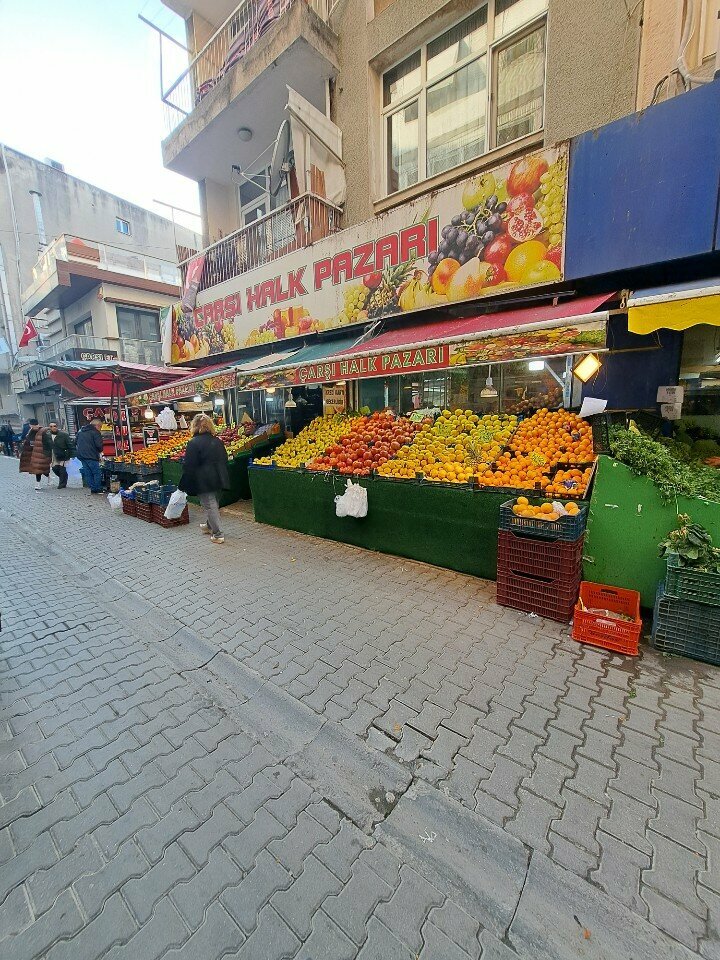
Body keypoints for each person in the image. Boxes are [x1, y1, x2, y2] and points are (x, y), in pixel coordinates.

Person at [179, 413, 229, 545]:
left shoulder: (193, 443)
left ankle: (218, 535)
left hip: (204, 480)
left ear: (194, 426)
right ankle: (209, 526)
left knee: (210, 506)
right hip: (220, 478)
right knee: (213, 504)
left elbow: (189, 465)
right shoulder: (217, 441)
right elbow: (225, 459)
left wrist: (183, 484)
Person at [18, 419, 51, 491]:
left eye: (33, 426)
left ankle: (44, 479)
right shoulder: (30, 431)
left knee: (40, 468)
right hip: (33, 453)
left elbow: (48, 443)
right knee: (38, 469)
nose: (32, 427)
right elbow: (27, 441)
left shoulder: (43, 431)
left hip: (41, 453)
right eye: (32, 426)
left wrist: (48, 453)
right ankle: (39, 483)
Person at [75, 417, 104, 494]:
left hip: (81, 456)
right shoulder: (95, 432)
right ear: (96, 426)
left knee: (88, 472)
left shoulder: (81, 431)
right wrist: (100, 451)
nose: (100, 428)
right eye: (100, 426)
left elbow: (75, 442)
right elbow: (99, 446)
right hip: (91, 455)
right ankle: (97, 488)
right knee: (96, 472)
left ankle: (92, 488)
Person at [42, 421, 74, 489]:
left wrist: (72, 454)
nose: (53, 428)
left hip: (63, 454)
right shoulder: (48, 435)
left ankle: (62, 484)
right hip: (53, 454)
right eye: (51, 426)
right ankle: (63, 478)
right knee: (55, 468)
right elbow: (45, 445)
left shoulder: (64, 435)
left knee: (62, 469)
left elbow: (70, 444)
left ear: (57, 427)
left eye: (54, 426)